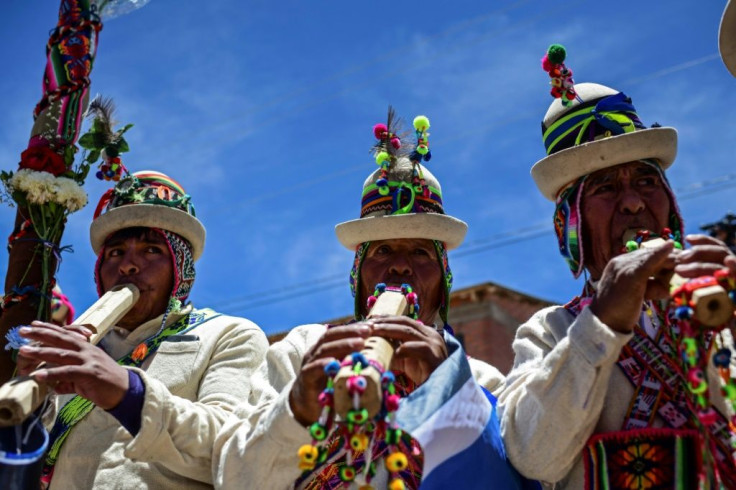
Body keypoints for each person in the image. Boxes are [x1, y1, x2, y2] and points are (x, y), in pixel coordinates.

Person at [215, 111, 528, 489]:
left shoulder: (480, 379)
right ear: (358, 275)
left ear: (445, 279)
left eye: (420, 254)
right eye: (382, 252)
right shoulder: (303, 351)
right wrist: (296, 409)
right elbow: (233, 478)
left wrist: (448, 389)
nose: (400, 267)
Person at [499, 50, 736, 489]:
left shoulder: (719, 298)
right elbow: (533, 457)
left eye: (646, 181)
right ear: (572, 224)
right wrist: (602, 320)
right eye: (606, 188)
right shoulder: (550, 330)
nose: (632, 202)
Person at [17, 170, 268, 489]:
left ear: (180, 268)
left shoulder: (228, 334)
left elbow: (235, 448)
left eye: (152, 250)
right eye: (116, 252)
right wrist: (29, 399)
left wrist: (128, 392)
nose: (127, 266)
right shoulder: (74, 356)